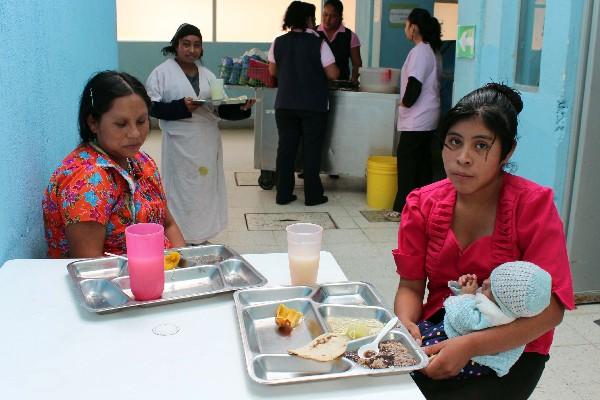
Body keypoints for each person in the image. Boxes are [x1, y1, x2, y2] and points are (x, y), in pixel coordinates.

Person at [392, 83, 574, 399]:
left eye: (480, 146)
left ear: (508, 151)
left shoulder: (533, 205)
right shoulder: (423, 203)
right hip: (442, 327)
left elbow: (553, 309)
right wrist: (406, 324)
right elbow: (410, 286)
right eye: (454, 142)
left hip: (513, 347)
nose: (463, 158)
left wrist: (470, 345)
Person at [42, 71, 185, 258]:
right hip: (114, 282)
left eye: (141, 121)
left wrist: (184, 265)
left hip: (160, 272)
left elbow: (168, 225)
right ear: (93, 122)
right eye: (121, 124)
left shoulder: (141, 161)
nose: (135, 133)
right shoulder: (88, 182)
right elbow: (90, 266)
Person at [146, 23, 253, 245]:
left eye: (196, 45)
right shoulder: (161, 73)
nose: (191, 50)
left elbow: (219, 107)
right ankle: (180, 235)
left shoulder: (208, 75)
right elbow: (152, 107)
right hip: (179, 143)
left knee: (204, 188)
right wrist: (181, 106)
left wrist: (241, 107)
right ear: (176, 46)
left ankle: (201, 235)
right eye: (186, 44)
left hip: (206, 142)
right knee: (182, 188)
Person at [418, 261, 552, 379]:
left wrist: (466, 295)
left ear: (501, 305)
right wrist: (466, 291)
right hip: (467, 346)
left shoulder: (495, 316)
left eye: (489, 288)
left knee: (424, 348)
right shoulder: (506, 308)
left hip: (472, 359)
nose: (485, 283)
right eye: (491, 277)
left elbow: (463, 321)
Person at [268, 1, 339, 206]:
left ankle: (283, 194)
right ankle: (313, 195)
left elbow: (272, 71)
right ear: (308, 20)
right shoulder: (319, 43)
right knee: (311, 150)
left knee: (286, 150)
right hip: (313, 106)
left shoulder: (278, 42)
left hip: (285, 104)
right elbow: (333, 73)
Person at [387, 8, 442, 222]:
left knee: (408, 163)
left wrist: (405, 102)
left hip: (417, 118)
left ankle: (401, 208)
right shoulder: (431, 50)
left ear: (414, 28)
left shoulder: (420, 51)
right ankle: (423, 208)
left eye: (406, 25)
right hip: (427, 117)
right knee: (422, 164)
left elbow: (415, 84)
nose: (405, 30)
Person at [316, 0, 362, 83]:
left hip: (341, 86)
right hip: (316, 85)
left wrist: (353, 80)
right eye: (325, 15)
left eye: (333, 16)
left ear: (340, 17)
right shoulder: (313, 33)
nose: (327, 19)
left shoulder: (350, 36)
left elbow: (357, 64)